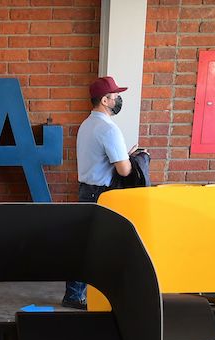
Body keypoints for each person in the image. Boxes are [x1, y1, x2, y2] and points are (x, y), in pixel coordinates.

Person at [62, 76, 134, 310]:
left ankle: (76, 294)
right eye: (115, 96)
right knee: (94, 247)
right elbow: (123, 170)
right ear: (105, 100)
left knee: (84, 245)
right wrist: (134, 159)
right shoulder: (108, 129)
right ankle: (76, 296)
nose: (118, 99)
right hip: (102, 194)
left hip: (87, 191)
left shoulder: (87, 124)